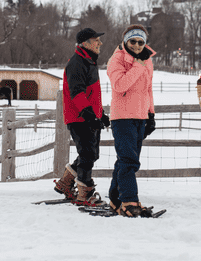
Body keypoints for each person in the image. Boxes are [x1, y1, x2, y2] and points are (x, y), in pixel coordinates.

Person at [53, 27, 111, 205]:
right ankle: (85, 193)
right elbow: (77, 92)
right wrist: (88, 114)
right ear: (86, 43)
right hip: (79, 117)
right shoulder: (77, 63)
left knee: (91, 154)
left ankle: (66, 183)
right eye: (96, 40)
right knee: (87, 154)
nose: (100, 43)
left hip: (88, 116)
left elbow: (92, 94)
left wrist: (100, 115)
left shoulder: (89, 62)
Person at [106, 24, 156, 217]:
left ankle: (115, 199)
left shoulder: (146, 60)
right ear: (126, 40)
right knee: (129, 161)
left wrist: (150, 114)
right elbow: (119, 85)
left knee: (124, 160)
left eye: (141, 42)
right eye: (133, 41)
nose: (136, 46)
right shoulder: (117, 60)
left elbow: (148, 89)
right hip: (123, 117)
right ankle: (129, 200)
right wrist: (137, 65)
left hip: (140, 116)